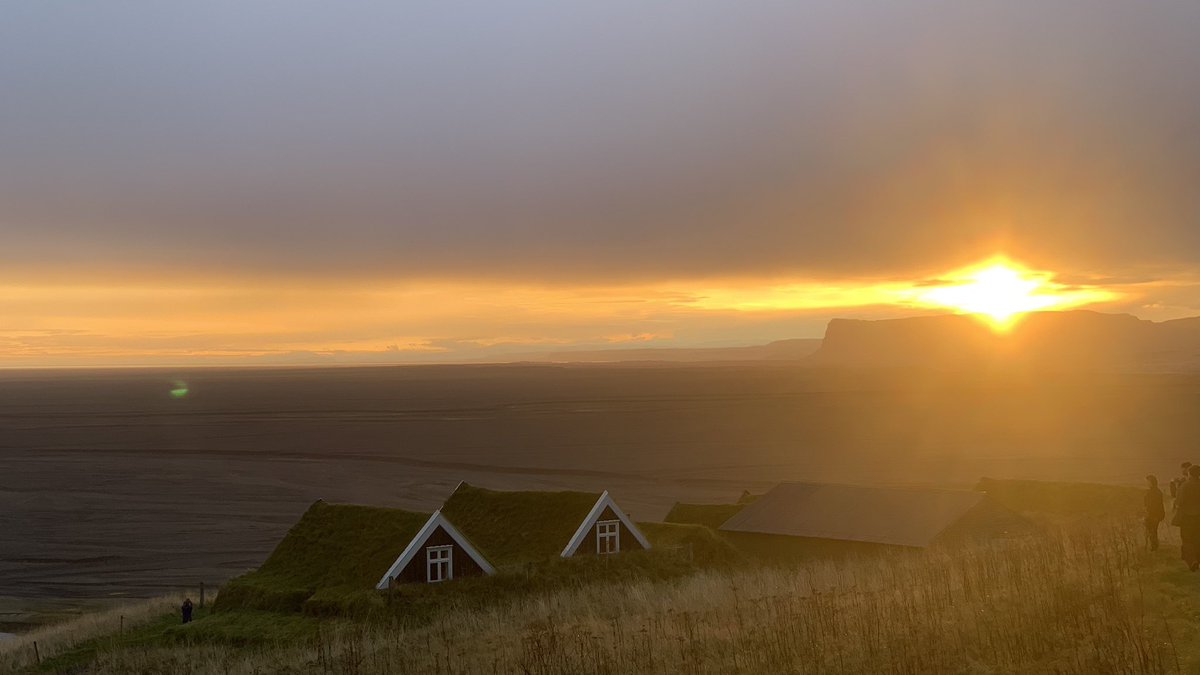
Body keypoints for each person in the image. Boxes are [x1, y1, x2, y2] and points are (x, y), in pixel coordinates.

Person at [1176, 464, 1200, 571]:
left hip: (1187, 517)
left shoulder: (1185, 486)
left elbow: (1180, 502)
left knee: (1186, 539)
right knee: (1197, 539)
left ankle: (1192, 561)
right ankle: (1198, 559)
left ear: (1189, 474)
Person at [1145, 475, 1165, 551]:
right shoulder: (1157, 491)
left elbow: (1152, 505)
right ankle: (1154, 546)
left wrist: (1148, 513)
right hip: (1156, 515)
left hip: (1153, 515)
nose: (1146, 483)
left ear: (1151, 482)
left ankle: (1154, 547)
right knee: (1153, 531)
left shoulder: (1152, 492)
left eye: (1147, 482)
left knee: (1152, 531)